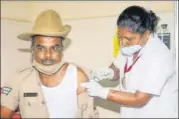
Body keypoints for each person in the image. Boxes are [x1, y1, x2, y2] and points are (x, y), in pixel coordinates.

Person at [82, 5, 178, 118]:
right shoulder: (129, 47)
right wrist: (109, 72)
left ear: (146, 34)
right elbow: (118, 69)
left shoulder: (158, 57)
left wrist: (102, 92)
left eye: (129, 39)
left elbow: (139, 99)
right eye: (120, 37)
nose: (123, 43)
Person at [1, 9, 98, 118]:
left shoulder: (77, 76)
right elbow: (4, 113)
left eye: (54, 48)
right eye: (41, 48)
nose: (48, 55)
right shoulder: (19, 79)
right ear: (32, 49)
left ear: (61, 48)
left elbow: (89, 114)